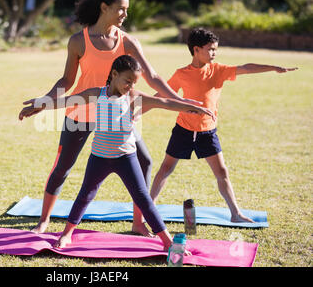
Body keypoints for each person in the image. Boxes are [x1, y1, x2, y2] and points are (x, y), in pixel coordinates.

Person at [20, 0, 201, 236]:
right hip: (81, 112)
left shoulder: (128, 41)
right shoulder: (78, 41)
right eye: (120, 9)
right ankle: (44, 220)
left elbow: (152, 76)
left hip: (117, 115)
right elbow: (66, 81)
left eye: (127, 10)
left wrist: (183, 101)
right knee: (63, 167)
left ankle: (138, 223)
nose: (125, 15)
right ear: (104, 7)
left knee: (144, 160)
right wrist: (46, 100)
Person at [20, 55, 214, 250]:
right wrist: (39, 105)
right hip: (99, 157)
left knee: (143, 199)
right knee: (85, 195)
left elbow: (164, 102)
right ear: (114, 74)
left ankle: (167, 242)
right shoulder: (97, 93)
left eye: (134, 82)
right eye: (127, 81)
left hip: (126, 158)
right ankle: (67, 234)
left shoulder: (132, 97)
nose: (130, 86)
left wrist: (191, 107)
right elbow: (66, 101)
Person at [150, 27, 298, 222]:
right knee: (166, 168)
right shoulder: (181, 74)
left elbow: (246, 68)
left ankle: (235, 213)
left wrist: (272, 67)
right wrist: (136, 110)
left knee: (222, 172)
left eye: (215, 49)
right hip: (183, 130)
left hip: (207, 133)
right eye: (210, 49)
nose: (214, 53)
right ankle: (148, 208)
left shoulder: (218, 70)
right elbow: (161, 96)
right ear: (196, 50)